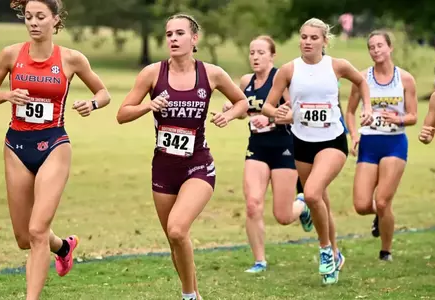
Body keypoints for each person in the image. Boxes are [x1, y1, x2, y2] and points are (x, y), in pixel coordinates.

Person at [0, 0, 111, 299]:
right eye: (28, 17)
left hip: (54, 144)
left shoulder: (72, 59)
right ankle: (63, 247)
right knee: (25, 238)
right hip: (16, 145)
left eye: (40, 17)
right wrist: (6, 96)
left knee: (38, 230)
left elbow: (103, 93)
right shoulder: (11, 54)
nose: (33, 23)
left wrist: (91, 103)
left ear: (55, 20)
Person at [116, 13, 248, 300]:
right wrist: (148, 106)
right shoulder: (152, 73)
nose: (173, 39)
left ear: (194, 38)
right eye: (169, 34)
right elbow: (122, 114)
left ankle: (188, 296)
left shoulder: (211, 73)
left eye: (179, 33)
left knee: (177, 230)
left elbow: (242, 101)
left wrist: (229, 115)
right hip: (163, 169)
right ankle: (194, 294)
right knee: (174, 240)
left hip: (198, 166)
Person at [261, 18, 373, 285]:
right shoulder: (288, 70)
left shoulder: (337, 65)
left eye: (313, 38)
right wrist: (277, 113)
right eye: (303, 37)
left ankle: (324, 252)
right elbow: (267, 105)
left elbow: (362, 82)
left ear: (324, 41)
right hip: (301, 143)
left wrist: (367, 107)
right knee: (319, 200)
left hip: (332, 140)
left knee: (310, 193)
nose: (307, 42)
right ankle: (336, 253)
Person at [222, 35, 313, 274]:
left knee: (282, 216)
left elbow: (297, 113)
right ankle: (259, 261)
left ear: (272, 55)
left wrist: (270, 118)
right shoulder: (245, 81)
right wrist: (232, 110)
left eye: (261, 52)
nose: (255, 57)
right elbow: (244, 111)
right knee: (253, 205)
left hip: (284, 146)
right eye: (252, 52)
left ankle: (302, 206)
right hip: (257, 148)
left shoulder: (280, 79)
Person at [346, 31, 417, 262]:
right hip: (369, 143)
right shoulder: (362, 78)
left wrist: (398, 119)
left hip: (394, 143)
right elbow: (349, 112)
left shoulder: (405, 79)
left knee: (384, 200)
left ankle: (385, 251)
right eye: (371, 47)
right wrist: (354, 134)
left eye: (379, 46)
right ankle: (381, 215)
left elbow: (413, 116)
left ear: (390, 48)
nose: (376, 50)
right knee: (361, 204)